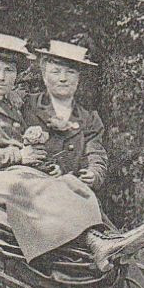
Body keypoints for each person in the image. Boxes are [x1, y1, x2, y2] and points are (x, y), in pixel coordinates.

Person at [0, 31, 144, 271]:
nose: (1, 77)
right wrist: (19, 156)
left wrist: (42, 165)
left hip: (8, 176)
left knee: (67, 182)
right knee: (41, 186)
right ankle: (97, 243)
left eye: (9, 71)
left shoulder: (11, 105)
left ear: (16, 76)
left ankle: (108, 241)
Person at [21, 39, 109, 186]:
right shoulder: (26, 105)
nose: (63, 78)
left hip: (70, 191)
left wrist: (94, 173)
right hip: (29, 189)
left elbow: (95, 154)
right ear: (44, 76)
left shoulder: (89, 119)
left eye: (70, 72)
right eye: (55, 72)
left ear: (78, 78)